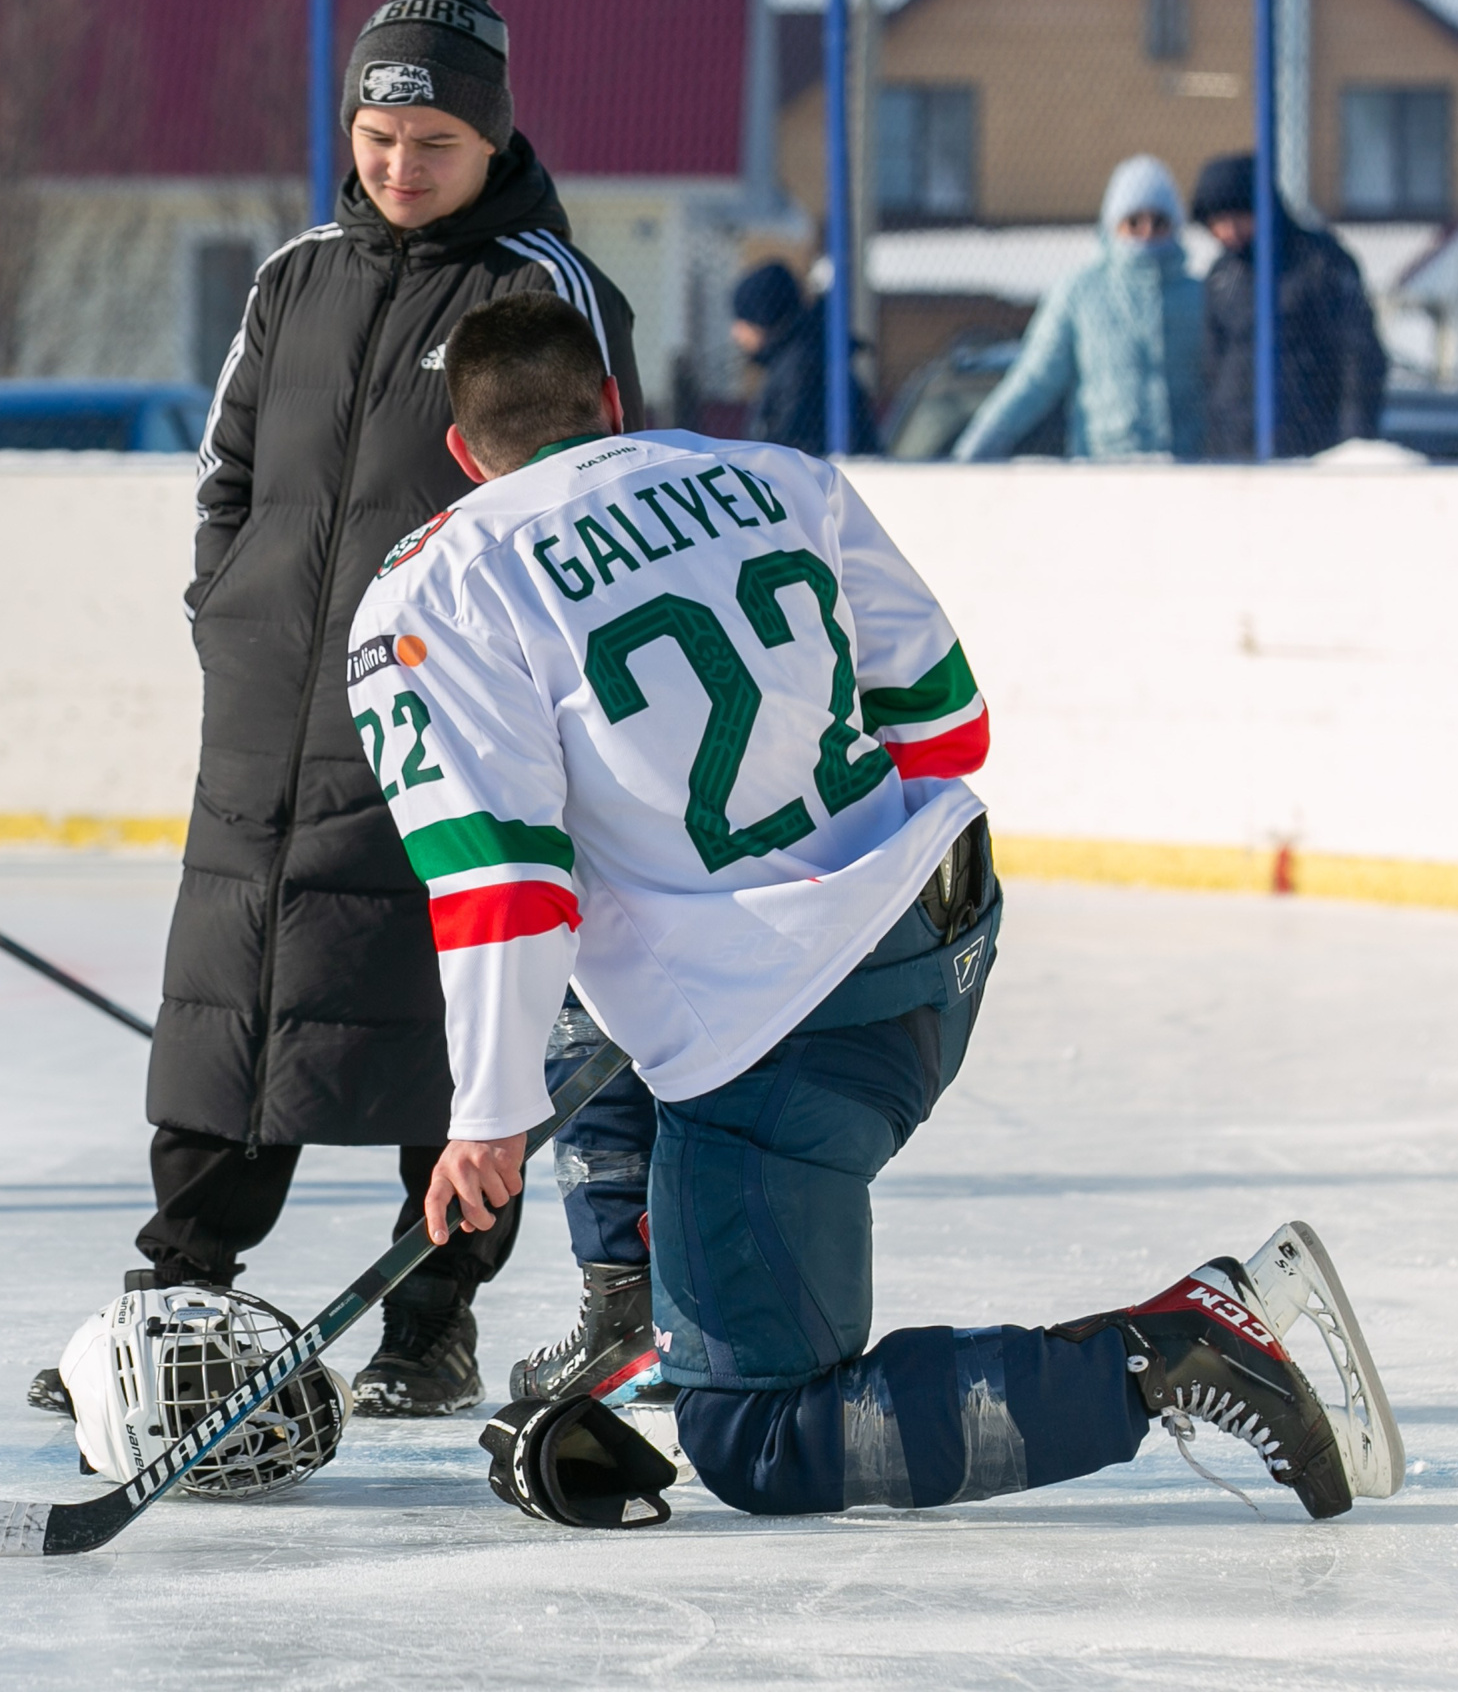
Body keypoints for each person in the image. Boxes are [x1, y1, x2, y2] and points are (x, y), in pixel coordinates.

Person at [346, 291, 1403, 1527]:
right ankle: (647, 1302)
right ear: (613, 404)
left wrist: (486, 1118)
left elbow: (504, 879)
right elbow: (950, 727)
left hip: (784, 1045)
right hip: (940, 937)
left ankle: (1161, 1355)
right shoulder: (777, 476)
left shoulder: (440, 585)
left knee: (755, 1440)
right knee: (599, 985)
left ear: (463, 454)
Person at [136, 0, 647, 1418]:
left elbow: (588, 503)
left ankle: (431, 1323)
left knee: (446, 1020)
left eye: (434, 142)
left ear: (493, 139)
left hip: (449, 710)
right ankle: (178, 1287)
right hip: (271, 703)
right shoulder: (296, 277)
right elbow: (228, 472)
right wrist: (231, 609)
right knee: (235, 994)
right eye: (377, 136)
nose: (401, 167)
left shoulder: (538, 289)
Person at [953, 156, 1204, 461]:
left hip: (1187, 472)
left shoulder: (1200, 296)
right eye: (1134, 222)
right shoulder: (1081, 293)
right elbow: (1036, 380)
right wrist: (974, 451)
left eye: (1159, 222)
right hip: (1102, 468)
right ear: (1113, 226)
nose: (1147, 232)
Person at [1193, 153, 1387, 458]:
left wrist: (1354, 441)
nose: (1229, 231)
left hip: (1313, 443)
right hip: (1237, 445)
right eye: (1218, 222)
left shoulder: (1320, 262)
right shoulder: (1223, 277)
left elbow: (1359, 355)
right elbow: (1213, 365)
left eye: (1239, 217)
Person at [730, 262, 830, 455]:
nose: (735, 333)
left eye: (744, 319)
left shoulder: (798, 367)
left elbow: (786, 446)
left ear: (763, 318)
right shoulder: (790, 361)